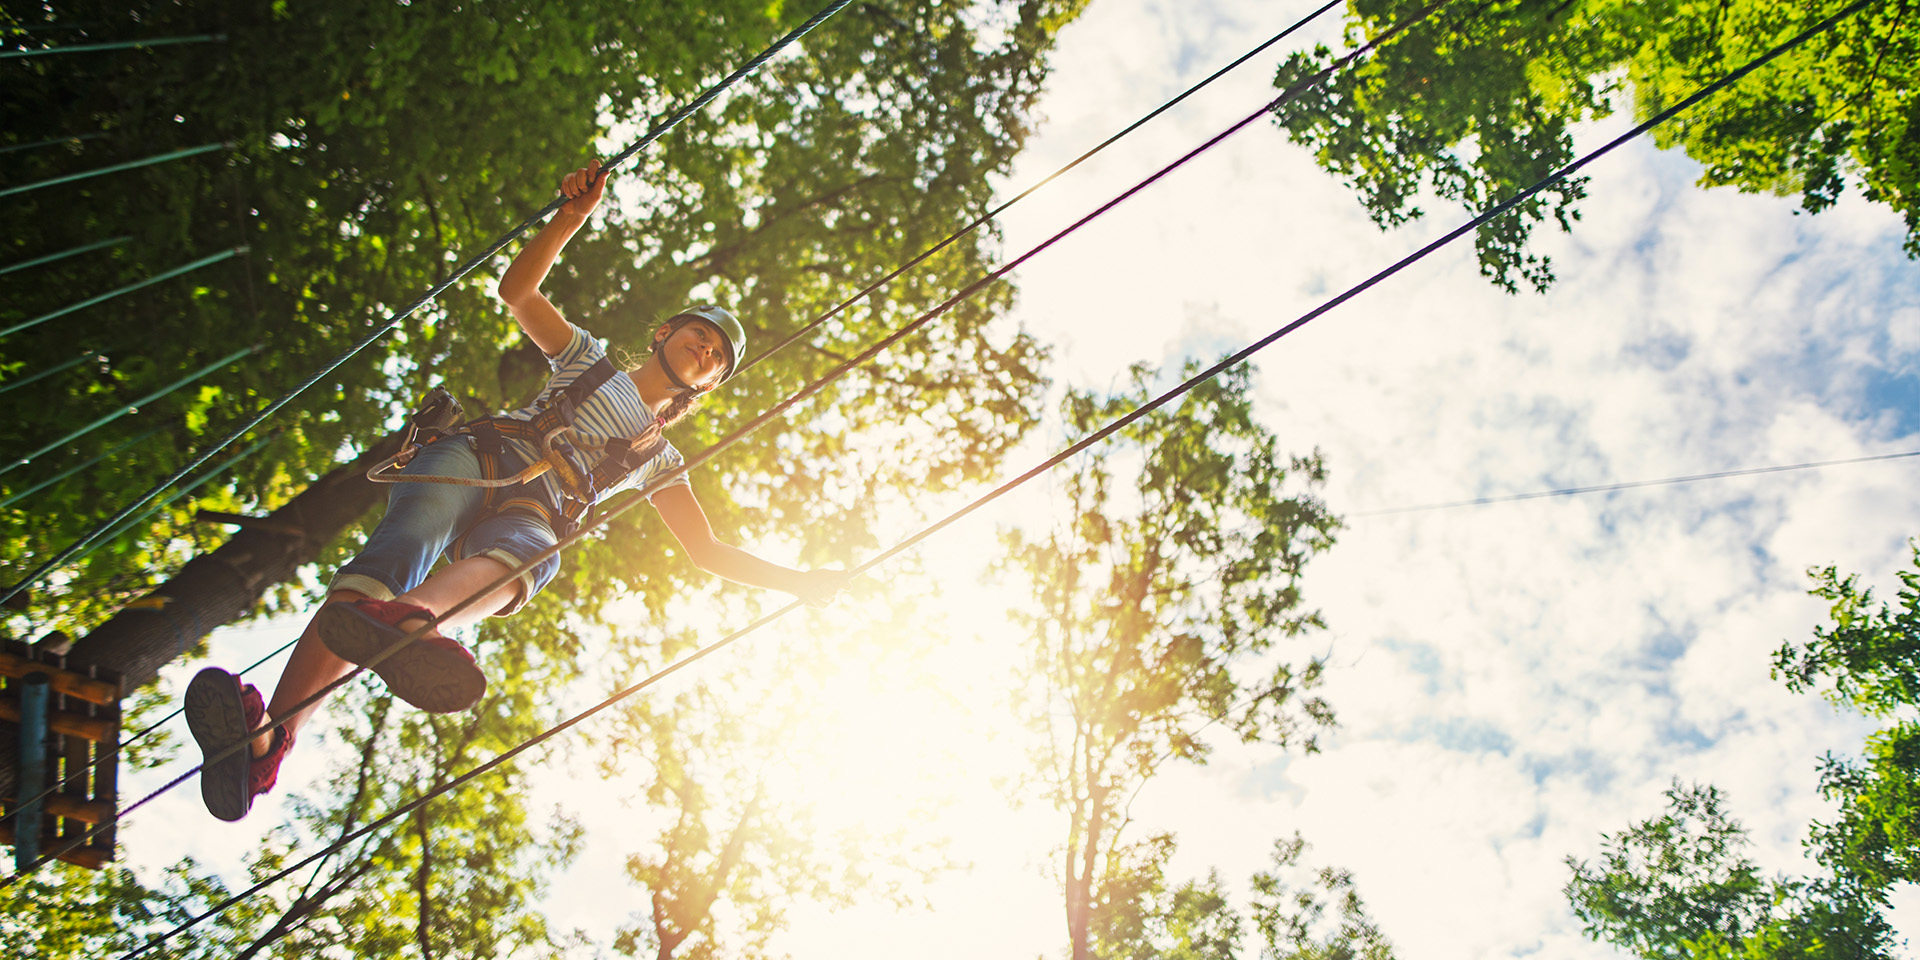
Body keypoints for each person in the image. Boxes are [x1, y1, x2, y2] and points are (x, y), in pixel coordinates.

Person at [183, 159, 849, 821]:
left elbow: (706, 550)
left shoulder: (661, 459)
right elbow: (519, 293)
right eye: (699, 335)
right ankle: (273, 739)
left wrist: (799, 583)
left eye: (716, 359)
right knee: (382, 570)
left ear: (706, 389)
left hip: (537, 511)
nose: (705, 351)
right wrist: (569, 220)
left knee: (532, 556)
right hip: (481, 457)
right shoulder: (588, 358)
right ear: (664, 333)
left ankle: (406, 626)